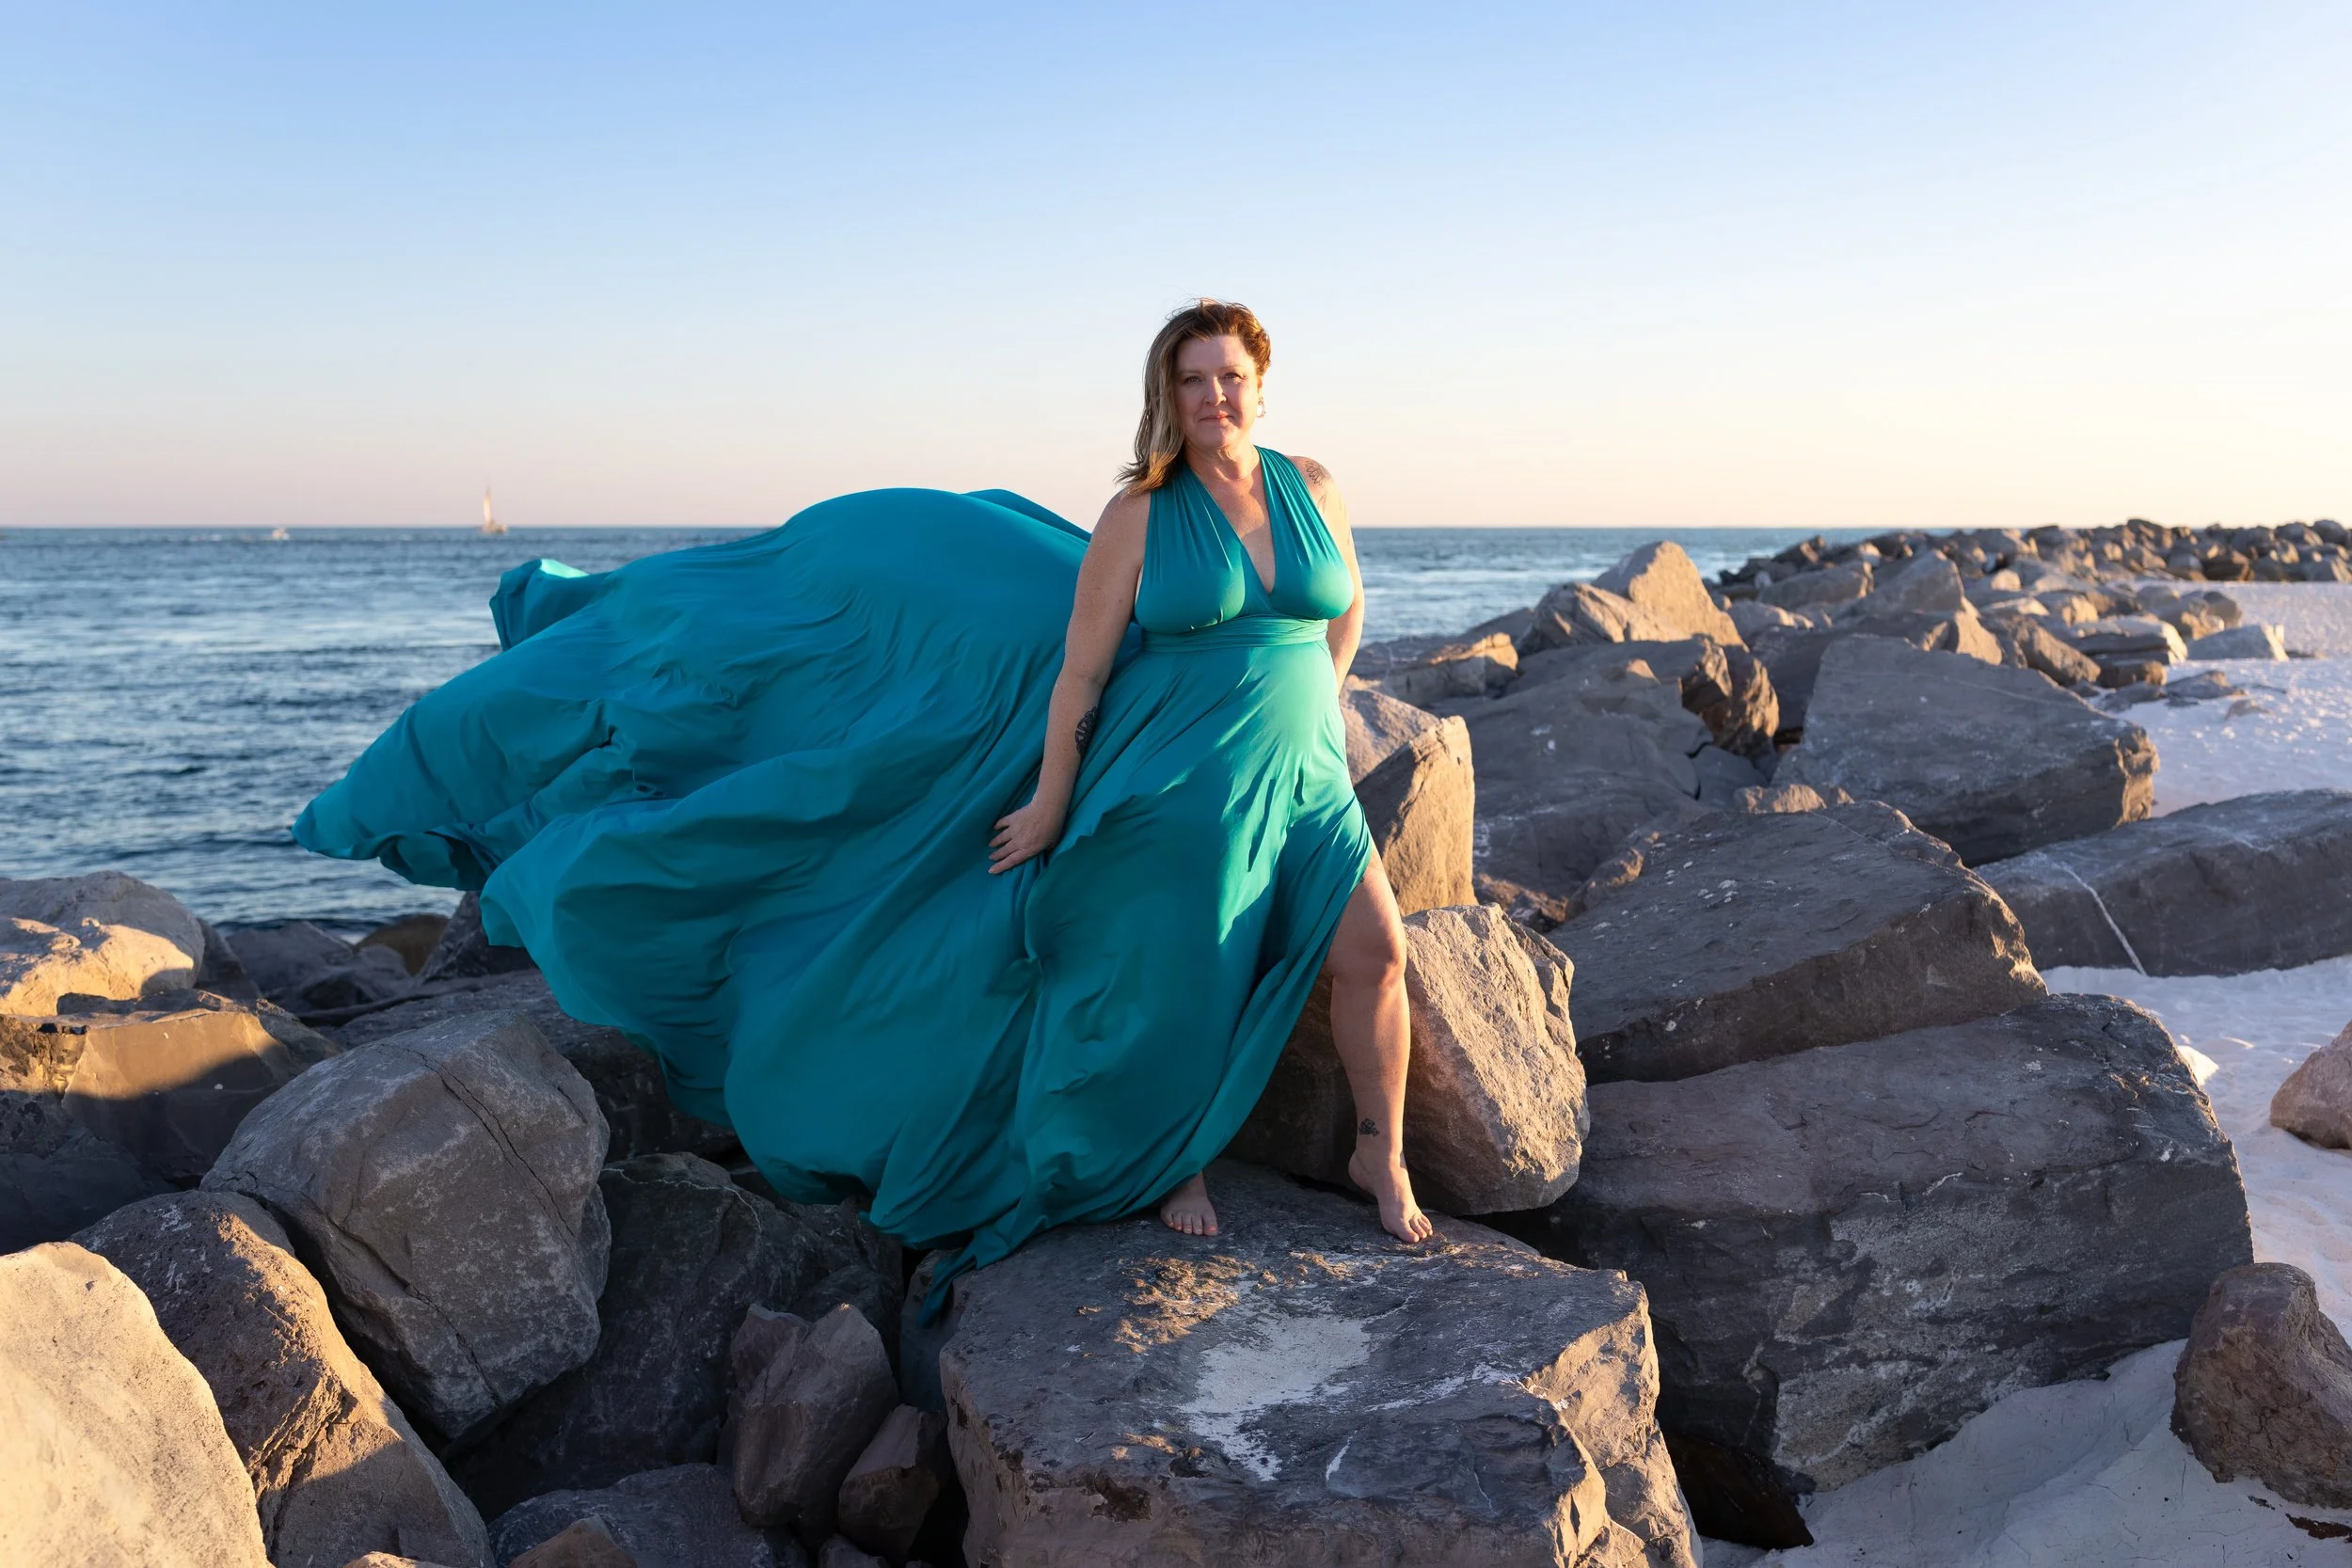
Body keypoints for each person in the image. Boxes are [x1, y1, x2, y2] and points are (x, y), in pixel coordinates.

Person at [294, 298, 1431, 1292]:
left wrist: (1318, 712)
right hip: (1173, 778)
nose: (1214, 396)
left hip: (1303, 775)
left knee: (1374, 955)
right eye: (1191, 379)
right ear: (1166, 396)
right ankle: (1170, 1158)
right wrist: (1050, 799)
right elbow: (1082, 673)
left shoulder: (1312, 488)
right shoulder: (1141, 512)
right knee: (1168, 981)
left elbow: (1343, 615)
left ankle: (1378, 1153)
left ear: (1261, 383)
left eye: (1230, 375)